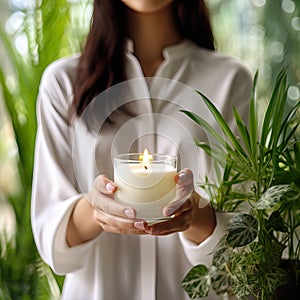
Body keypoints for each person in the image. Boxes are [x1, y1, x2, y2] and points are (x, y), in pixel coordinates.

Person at [31, 0, 252, 299]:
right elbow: (51, 242)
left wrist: (192, 214)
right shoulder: (63, 83)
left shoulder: (230, 80)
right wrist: (96, 208)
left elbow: (243, 240)